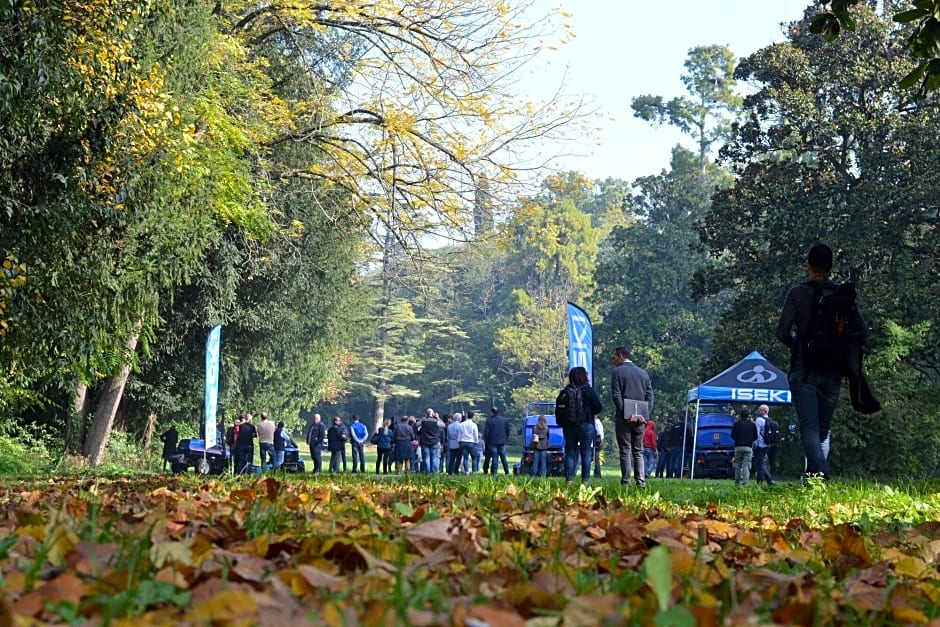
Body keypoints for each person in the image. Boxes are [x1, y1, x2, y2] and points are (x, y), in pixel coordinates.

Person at [775, 241, 867, 480]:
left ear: (808, 265)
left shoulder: (797, 293)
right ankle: (814, 479)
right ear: (832, 266)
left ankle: (821, 475)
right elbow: (862, 333)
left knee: (810, 429)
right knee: (821, 430)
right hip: (832, 371)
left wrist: (800, 347)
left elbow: (782, 331)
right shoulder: (841, 296)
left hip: (804, 371)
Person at [610, 345, 654, 487]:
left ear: (621, 356)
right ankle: (641, 481)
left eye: (614, 357)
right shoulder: (643, 373)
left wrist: (626, 414)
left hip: (624, 418)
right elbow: (650, 396)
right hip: (641, 419)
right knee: (638, 451)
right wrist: (645, 415)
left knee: (625, 450)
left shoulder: (617, 372)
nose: (613, 360)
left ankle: (626, 481)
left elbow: (616, 396)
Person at [563, 366, 603, 484]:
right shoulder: (588, 390)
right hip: (586, 424)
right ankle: (585, 480)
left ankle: (569, 479)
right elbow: (598, 407)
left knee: (570, 451)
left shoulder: (567, 390)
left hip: (569, 425)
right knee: (586, 452)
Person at [731, 407, 758, 486]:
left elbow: (732, 435)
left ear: (740, 415)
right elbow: (755, 437)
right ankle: (744, 483)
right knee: (746, 465)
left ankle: (737, 482)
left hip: (738, 447)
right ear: (748, 415)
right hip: (748, 447)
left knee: (737, 464)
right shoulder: (752, 424)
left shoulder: (736, 424)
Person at [483, 406, 511, 475]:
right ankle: (507, 472)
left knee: (494, 457)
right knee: (503, 458)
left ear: (492, 412)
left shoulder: (489, 420)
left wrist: (488, 441)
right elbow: (508, 432)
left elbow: (486, 434)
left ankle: (494, 472)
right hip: (502, 442)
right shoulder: (505, 420)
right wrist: (505, 439)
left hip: (492, 442)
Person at [752, 405, 775, 486]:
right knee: (760, 463)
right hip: (767, 444)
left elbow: (756, 434)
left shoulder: (759, 420)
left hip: (760, 445)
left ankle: (762, 481)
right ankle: (769, 480)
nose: (758, 411)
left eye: (760, 410)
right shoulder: (769, 420)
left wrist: (754, 444)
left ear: (764, 411)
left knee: (759, 463)